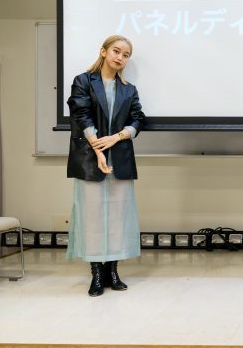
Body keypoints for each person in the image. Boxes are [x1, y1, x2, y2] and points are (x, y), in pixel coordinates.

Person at [66, 35, 145, 297]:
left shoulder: (129, 89)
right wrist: (99, 148)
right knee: (92, 217)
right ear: (103, 51)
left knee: (118, 217)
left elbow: (138, 118)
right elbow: (81, 115)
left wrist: (118, 137)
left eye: (126, 55)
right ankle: (97, 273)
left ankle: (113, 270)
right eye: (116, 51)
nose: (120, 57)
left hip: (120, 160)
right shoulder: (83, 81)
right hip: (91, 158)